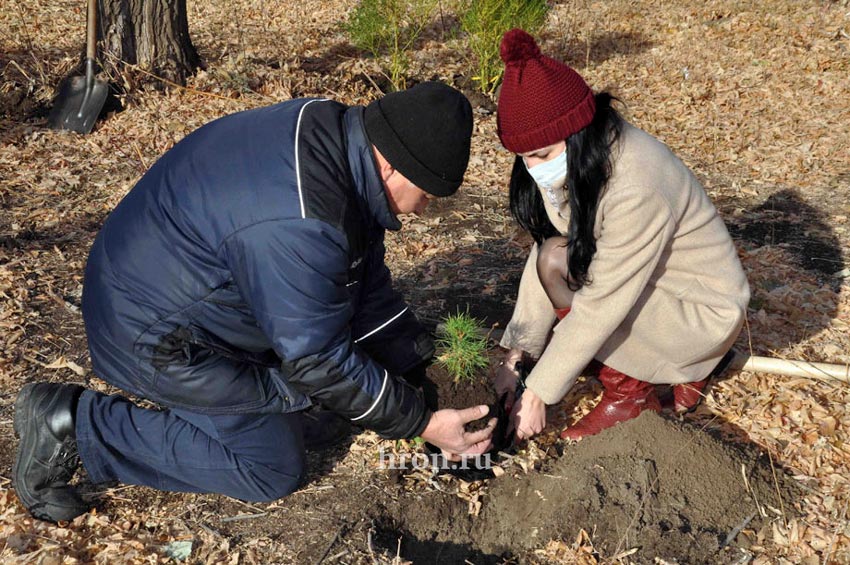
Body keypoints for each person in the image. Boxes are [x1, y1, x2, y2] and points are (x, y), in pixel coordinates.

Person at [13, 81, 497, 523]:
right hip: (154, 331)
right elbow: (318, 359)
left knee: (316, 394)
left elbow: (360, 290)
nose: (426, 209)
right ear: (390, 164)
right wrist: (421, 422)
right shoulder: (306, 221)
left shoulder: (335, 140)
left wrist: (420, 366)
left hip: (191, 290)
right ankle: (78, 426)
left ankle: (264, 402)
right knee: (271, 467)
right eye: (428, 194)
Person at [491, 30, 750, 442]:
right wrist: (519, 355)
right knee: (556, 256)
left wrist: (540, 392)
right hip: (656, 293)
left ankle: (631, 396)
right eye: (522, 156)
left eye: (540, 154)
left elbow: (600, 301)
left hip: (700, 313)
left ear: (576, 130)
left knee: (562, 267)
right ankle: (680, 372)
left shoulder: (636, 183)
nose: (532, 167)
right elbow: (547, 246)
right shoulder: (582, 160)